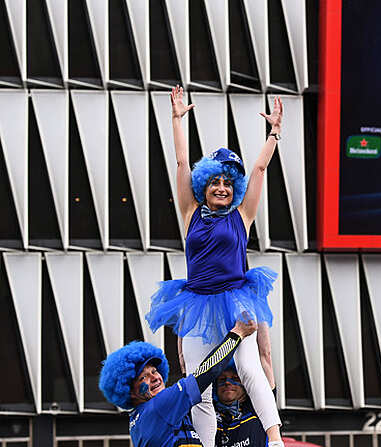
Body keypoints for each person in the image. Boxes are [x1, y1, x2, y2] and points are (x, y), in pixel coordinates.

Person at [145, 85, 284, 447]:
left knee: (251, 371)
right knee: (197, 382)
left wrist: (274, 133)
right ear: (203, 186)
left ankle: (276, 440)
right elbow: (179, 162)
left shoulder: (243, 215)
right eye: (214, 182)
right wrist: (177, 120)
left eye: (227, 183)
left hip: (235, 300)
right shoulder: (190, 214)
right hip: (196, 302)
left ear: (233, 189)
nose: (221, 187)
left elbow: (259, 168)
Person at [98, 319, 266, 447]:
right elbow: (206, 373)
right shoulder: (159, 407)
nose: (155, 377)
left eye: (154, 371)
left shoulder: (145, 415)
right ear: (130, 391)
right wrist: (236, 334)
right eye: (144, 378)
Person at [214, 365, 267, 447]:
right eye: (222, 379)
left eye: (235, 378)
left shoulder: (257, 408)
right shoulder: (206, 413)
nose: (227, 382)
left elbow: (265, 359)